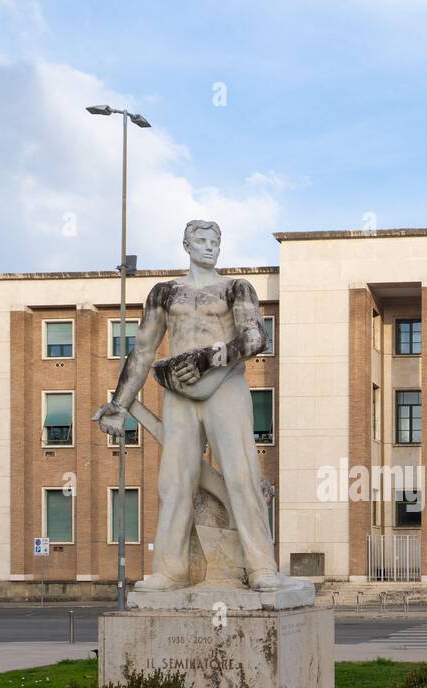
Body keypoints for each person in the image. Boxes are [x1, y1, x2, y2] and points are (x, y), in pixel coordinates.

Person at [93, 220, 285, 591]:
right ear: (186, 244)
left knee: (242, 476)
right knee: (174, 483)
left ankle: (261, 566)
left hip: (225, 385)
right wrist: (119, 404)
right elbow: (144, 350)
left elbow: (255, 337)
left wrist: (207, 359)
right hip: (179, 393)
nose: (210, 246)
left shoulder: (235, 288)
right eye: (201, 240)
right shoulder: (164, 293)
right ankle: (170, 569)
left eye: (216, 240)